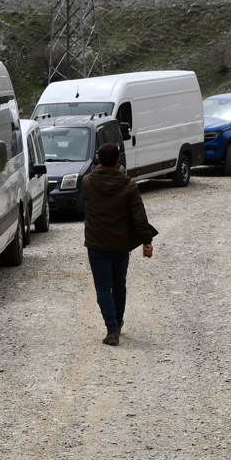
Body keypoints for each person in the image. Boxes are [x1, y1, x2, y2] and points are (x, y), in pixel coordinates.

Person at [81, 143, 158, 347]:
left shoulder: (87, 182)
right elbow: (139, 217)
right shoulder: (129, 185)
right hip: (121, 245)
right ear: (118, 161)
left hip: (97, 244)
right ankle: (118, 321)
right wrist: (146, 242)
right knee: (119, 284)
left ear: (98, 160)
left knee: (103, 287)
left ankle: (111, 328)